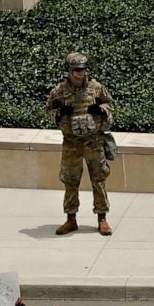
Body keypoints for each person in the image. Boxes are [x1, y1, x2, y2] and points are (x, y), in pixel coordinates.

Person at [47, 51, 115, 236]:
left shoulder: (96, 88)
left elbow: (110, 104)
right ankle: (71, 219)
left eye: (83, 69)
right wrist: (60, 113)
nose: (80, 73)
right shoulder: (59, 91)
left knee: (99, 179)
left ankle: (102, 218)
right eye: (76, 69)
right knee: (70, 180)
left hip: (93, 141)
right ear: (68, 70)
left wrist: (100, 109)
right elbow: (49, 109)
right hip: (71, 143)